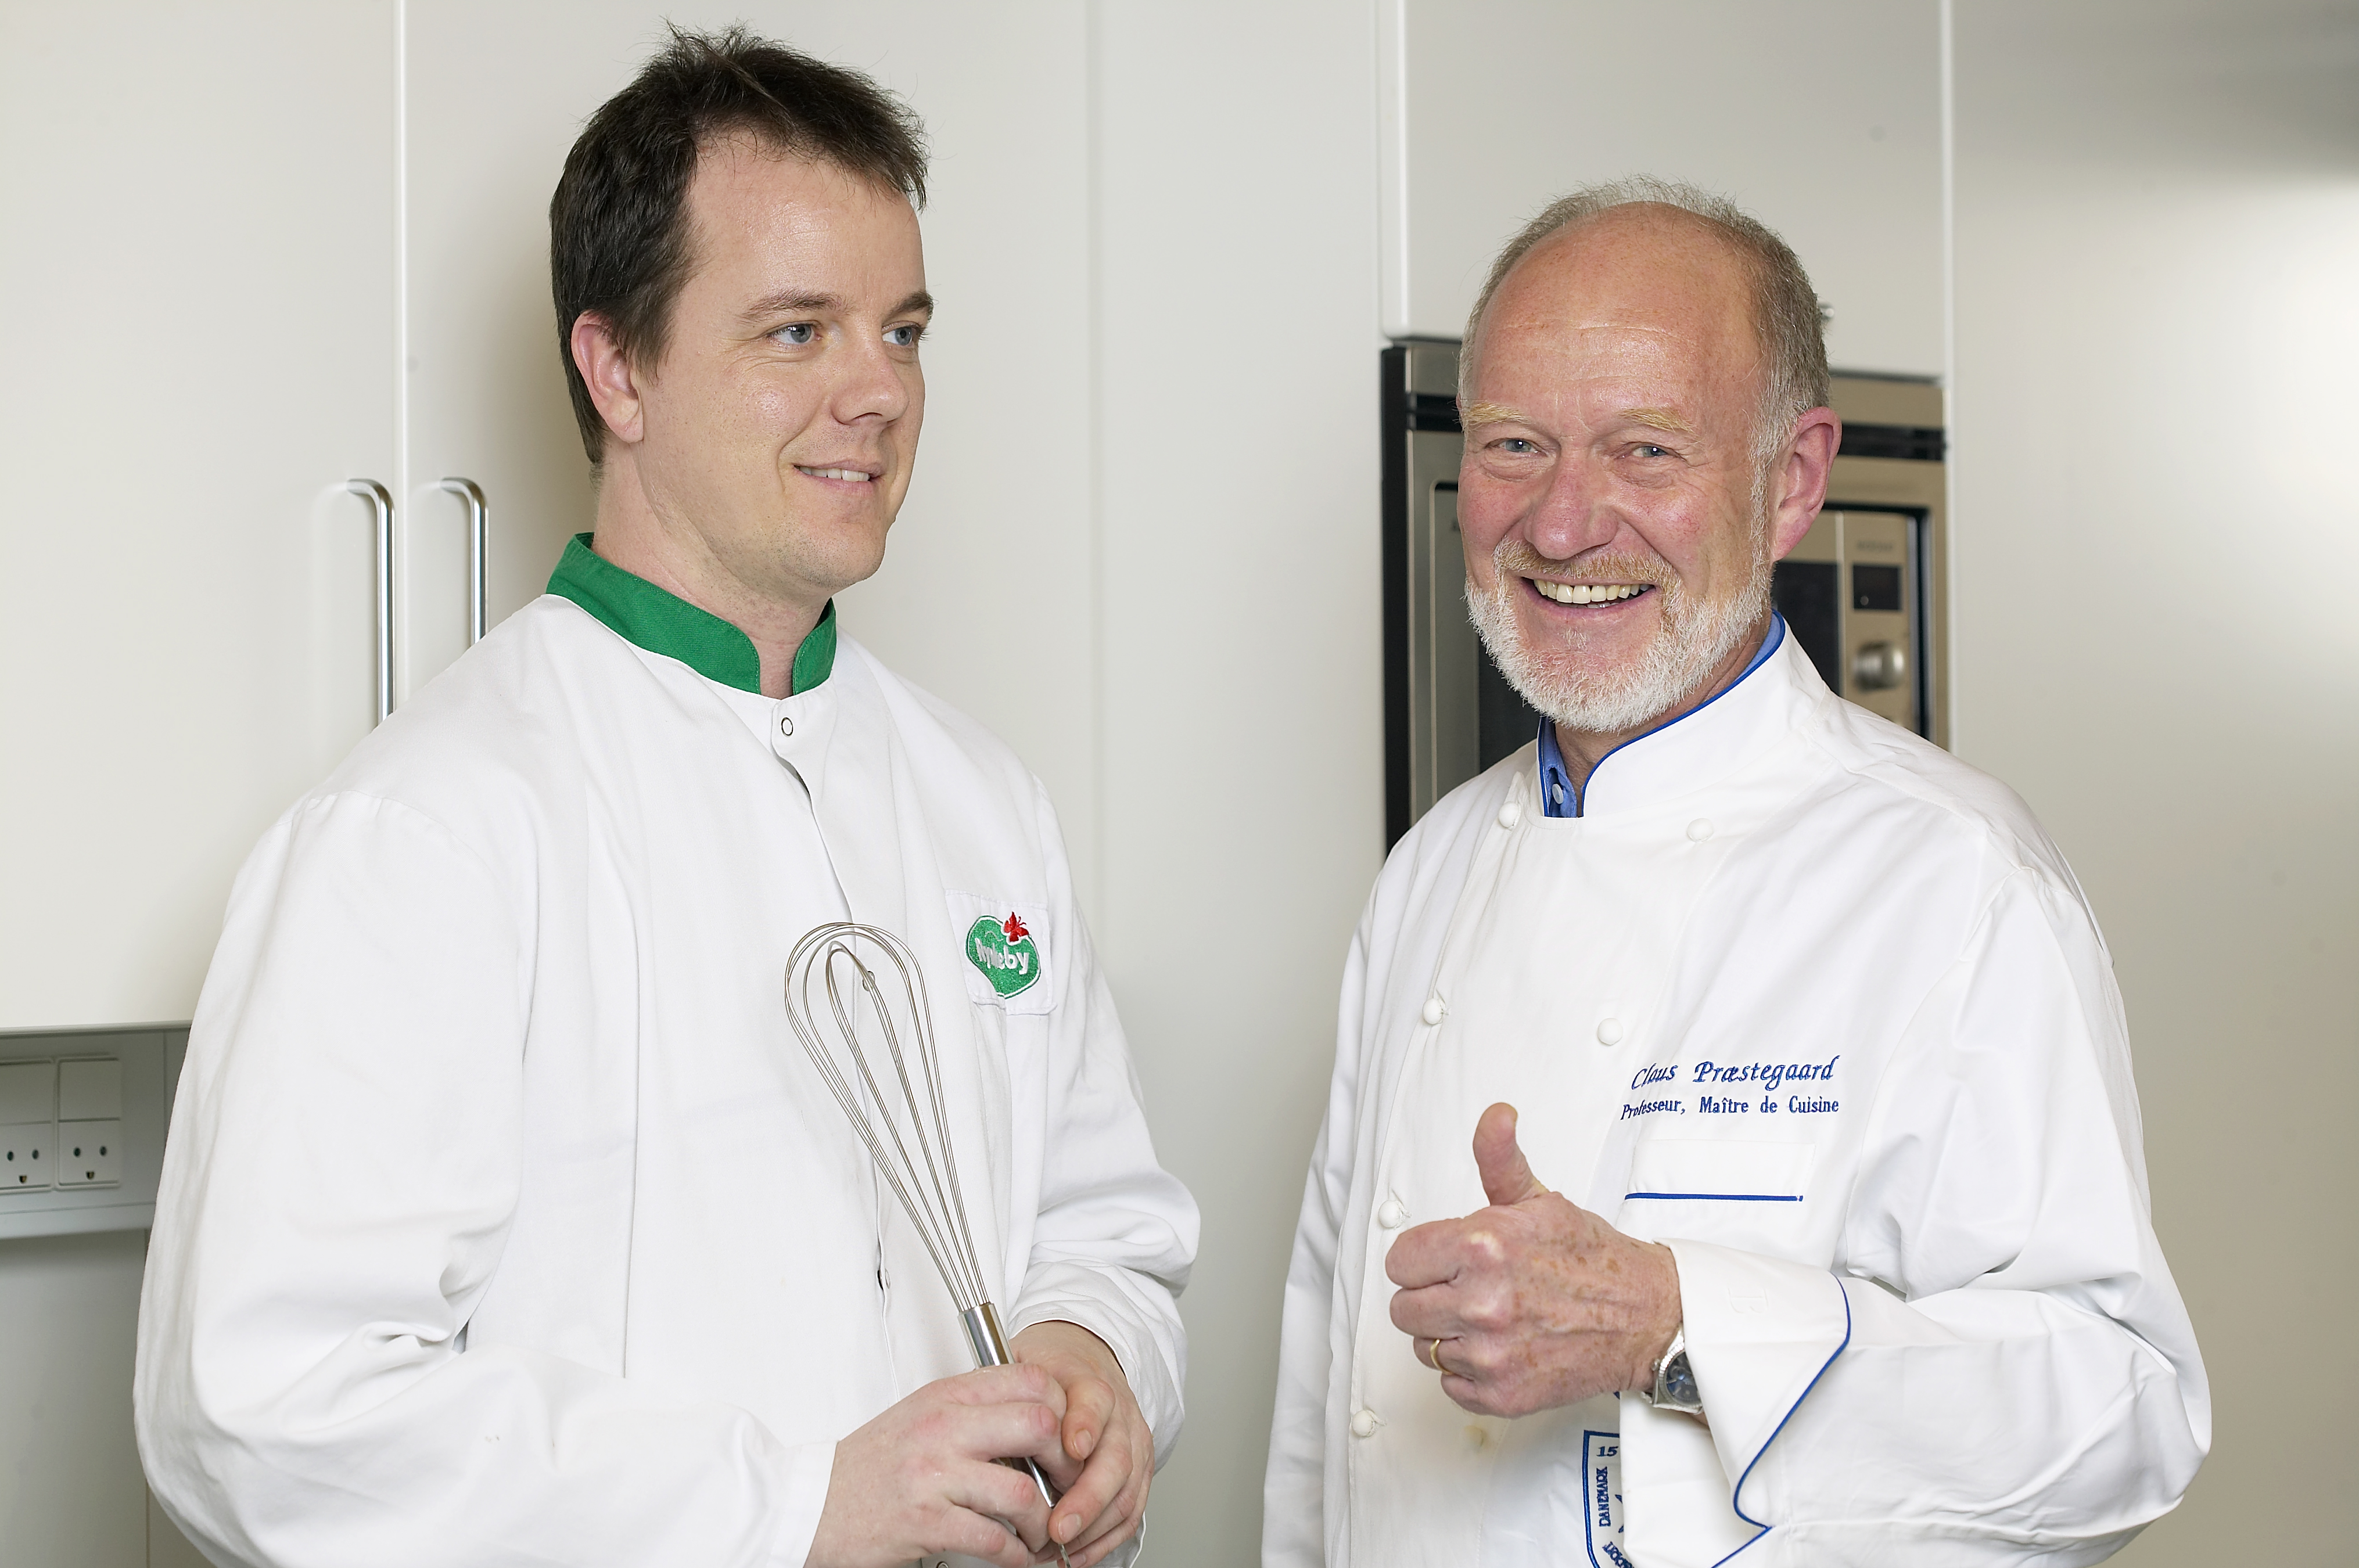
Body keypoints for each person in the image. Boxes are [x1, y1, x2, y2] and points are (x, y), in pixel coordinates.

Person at [135, 29, 1194, 1568]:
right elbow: (260, 1410)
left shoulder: (985, 801)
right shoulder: (428, 829)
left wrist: (1097, 1363)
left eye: (902, 331)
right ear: (616, 368)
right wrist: (792, 1506)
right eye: (797, 331)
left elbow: (1106, 1228)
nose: (879, 393)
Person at [1263, 178, 2207, 1566]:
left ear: (1794, 482)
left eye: (1645, 451)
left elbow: (2120, 1419)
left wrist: (1674, 1323)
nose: (1562, 526)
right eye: (1515, 445)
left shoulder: (1951, 881)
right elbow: (1323, 1423)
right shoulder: (1430, 871)